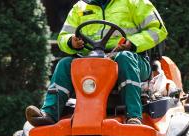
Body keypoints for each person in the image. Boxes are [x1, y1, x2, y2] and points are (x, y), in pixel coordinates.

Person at [25, 0, 168, 127]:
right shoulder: (80, 7)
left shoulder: (135, 2)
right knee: (65, 64)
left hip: (133, 58)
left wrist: (133, 43)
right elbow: (63, 37)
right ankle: (49, 114)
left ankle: (134, 116)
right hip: (92, 61)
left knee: (125, 58)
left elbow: (158, 30)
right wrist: (71, 41)